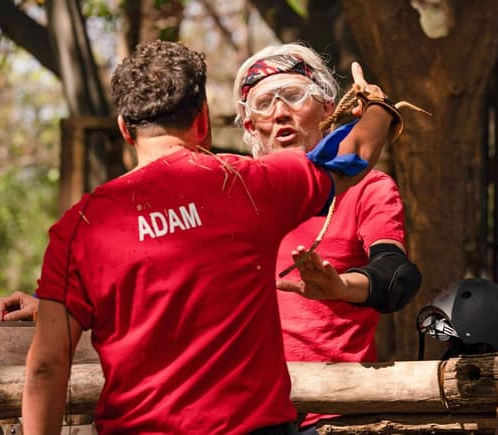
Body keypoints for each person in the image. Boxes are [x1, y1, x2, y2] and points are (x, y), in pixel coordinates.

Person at [21, 39, 398, 435]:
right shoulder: (251, 186)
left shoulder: (79, 227)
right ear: (203, 119)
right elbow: (351, 154)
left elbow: (46, 365)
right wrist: (379, 108)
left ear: (124, 130)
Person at [232, 43, 422, 433]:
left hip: (331, 413)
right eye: (264, 103)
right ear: (250, 125)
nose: (280, 112)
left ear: (327, 107)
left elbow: (396, 276)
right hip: (241, 412)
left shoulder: (367, 188)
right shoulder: (230, 191)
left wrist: (341, 286)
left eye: (295, 96)